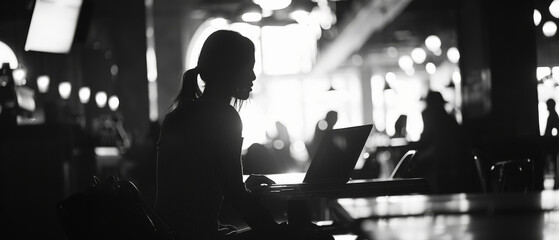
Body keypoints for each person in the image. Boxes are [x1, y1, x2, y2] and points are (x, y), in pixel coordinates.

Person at [155, 30, 331, 240]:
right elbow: (236, 197)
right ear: (229, 70)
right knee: (313, 236)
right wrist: (277, 233)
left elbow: (192, 186)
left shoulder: (177, 115)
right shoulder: (224, 117)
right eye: (249, 68)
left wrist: (241, 185)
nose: (254, 76)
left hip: (169, 235)